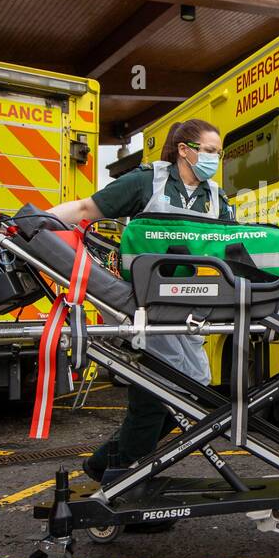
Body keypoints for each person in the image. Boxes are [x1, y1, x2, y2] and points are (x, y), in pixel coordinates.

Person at [48, 118, 233, 484]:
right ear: (185, 150)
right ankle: (123, 479)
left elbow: (230, 245)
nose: (215, 159)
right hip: (148, 306)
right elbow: (87, 210)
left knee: (187, 395)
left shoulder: (217, 198)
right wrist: (35, 221)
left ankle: (107, 465)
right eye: (210, 151)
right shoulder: (147, 182)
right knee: (152, 398)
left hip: (192, 309)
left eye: (218, 153)